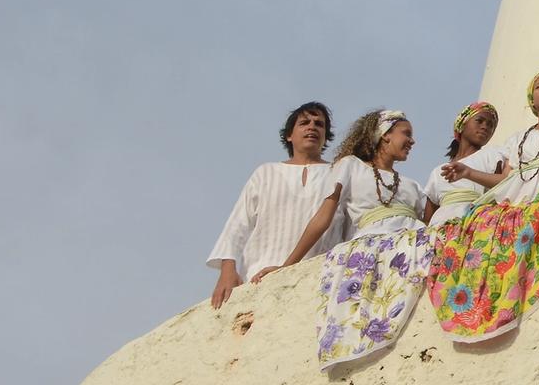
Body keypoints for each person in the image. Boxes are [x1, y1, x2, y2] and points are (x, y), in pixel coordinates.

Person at [427, 70, 539, 341]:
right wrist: (468, 173)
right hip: (519, 195)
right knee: (482, 226)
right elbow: (505, 177)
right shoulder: (517, 138)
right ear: (531, 97)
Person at [264, 109, 431, 370]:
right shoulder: (350, 166)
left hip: (412, 244)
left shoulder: (413, 186)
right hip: (370, 240)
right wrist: (288, 265)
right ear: (384, 136)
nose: (412, 141)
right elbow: (324, 216)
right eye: (406, 134)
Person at [205, 101, 339, 309]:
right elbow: (238, 225)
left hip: (319, 280)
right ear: (289, 135)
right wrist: (227, 269)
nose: (312, 127)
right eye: (304, 122)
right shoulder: (266, 172)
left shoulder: (339, 174)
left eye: (319, 124)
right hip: (261, 278)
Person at [422, 100, 506, 228]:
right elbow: (427, 218)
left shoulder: (494, 155)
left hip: (477, 226)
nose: (485, 127)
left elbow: (505, 186)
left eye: (491, 125)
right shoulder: (437, 172)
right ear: (462, 124)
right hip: (439, 231)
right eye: (479, 121)